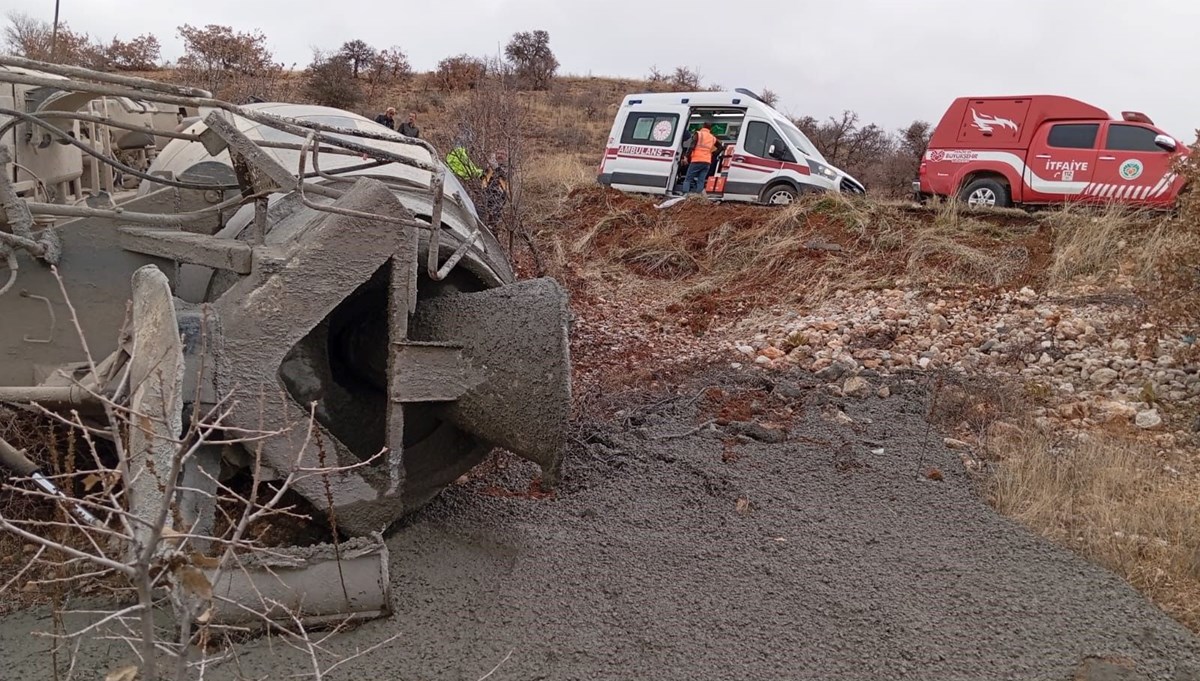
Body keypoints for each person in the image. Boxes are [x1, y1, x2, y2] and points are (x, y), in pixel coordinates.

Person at [681, 122, 721, 194]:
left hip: (697, 160)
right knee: (701, 180)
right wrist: (713, 154)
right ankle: (698, 197)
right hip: (707, 162)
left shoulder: (698, 134)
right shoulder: (713, 138)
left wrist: (686, 157)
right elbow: (721, 147)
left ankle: (685, 195)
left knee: (688, 179)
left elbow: (692, 146)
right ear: (710, 129)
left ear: (702, 126)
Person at [480, 150, 510, 226]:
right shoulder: (489, 166)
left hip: (499, 195)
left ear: (506, 156)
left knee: (494, 217)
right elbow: (482, 176)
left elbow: (505, 176)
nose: (500, 155)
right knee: (481, 214)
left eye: (503, 154)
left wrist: (496, 168)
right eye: (498, 153)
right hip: (485, 193)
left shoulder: (508, 167)